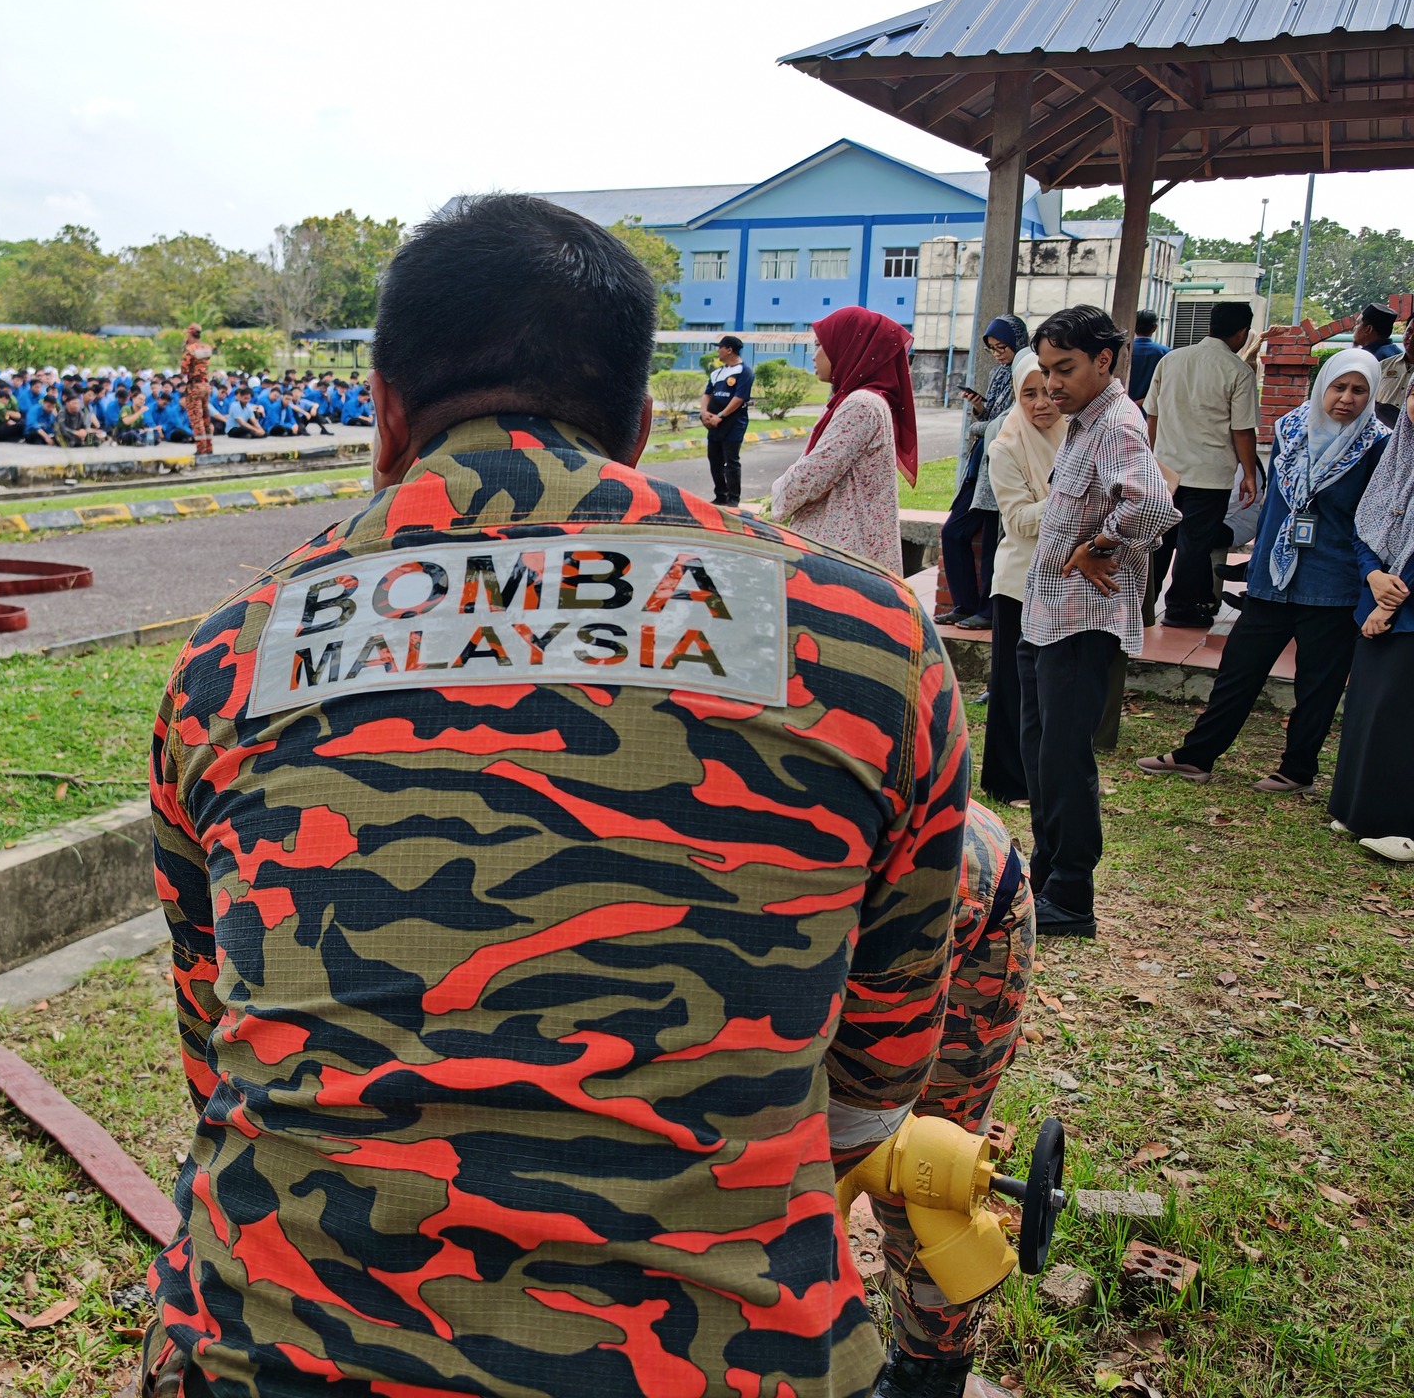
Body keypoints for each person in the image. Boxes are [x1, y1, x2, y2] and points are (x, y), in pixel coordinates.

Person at [139, 193, 968, 1398]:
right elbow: (884, 1064)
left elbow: (218, 1050)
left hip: (265, 1363)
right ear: (635, 427)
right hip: (728, 1365)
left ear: (384, 415)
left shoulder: (231, 655)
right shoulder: (867, 639)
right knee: (986, 868)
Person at [1139, 349, 1387, 795]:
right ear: (1321, 386)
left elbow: (1375, 519)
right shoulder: (1291, 429)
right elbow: (1275, 505)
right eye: (1338, 387)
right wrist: (1256, 564)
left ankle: (1297, 771)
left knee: (1319, 682)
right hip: (1274, 576)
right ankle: (1197, 755)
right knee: (1239, 669)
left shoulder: (1378, 445)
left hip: (1334, 581)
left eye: (1359, 390)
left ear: (1371, 396)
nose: (1346, 399)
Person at [857, 798, 1035, 1397]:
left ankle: (927, 1371)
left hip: (961, 913)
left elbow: (857, 1099)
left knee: (925, 1171)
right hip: (864, 912)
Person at [1020, 306, 1180, 938]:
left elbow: (1154, 505)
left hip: (1083, 619)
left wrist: (1103, 544)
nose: (1053, 384)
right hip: (1048, 614)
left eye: (1066, 369)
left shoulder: (1114, 421)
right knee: (1040, 755)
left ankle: (1072, 895)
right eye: (1045, 370)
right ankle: (1044, 874)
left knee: (1063, 758)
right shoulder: (1086, 420)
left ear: (1104, 361)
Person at [770, 305, 916, 577]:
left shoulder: (862, 404)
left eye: (820, 346)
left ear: (849, 348)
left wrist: (779, 492)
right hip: (844, 548)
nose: (814, 357)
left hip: (844, 555)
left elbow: (813, 475)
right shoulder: (855, 400)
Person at [1328, 399, 1414, 856]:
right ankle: (1358, 809)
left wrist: (1392, 603)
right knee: (1366, 708)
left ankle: (1404, 826)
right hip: (1378, 596)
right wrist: (1373, 576)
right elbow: (1368, 526)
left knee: (1399, 716)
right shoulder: (1400, 453)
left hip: (1405, 612)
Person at [1144, 301, 1260, 629]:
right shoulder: (1238, 371)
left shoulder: (1171, 360)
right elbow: (1242, 429)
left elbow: (1151, 415)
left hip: (1164, 470)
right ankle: (1181, 607)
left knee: (1158, 539)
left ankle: (1142, 604)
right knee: (1194, 543)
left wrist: (1148, 460)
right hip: (1210, 475)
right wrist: (1249, 475)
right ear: (1242, 333)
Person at [980, 354, 1062, 802]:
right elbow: (1017, 520)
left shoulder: (1077, 434)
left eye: (1048, 391)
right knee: (1014, 690)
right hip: (1020, 584)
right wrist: (1071, 500)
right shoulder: (1007, 445)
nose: (1041, 403)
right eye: (1029, 394)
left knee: (1055, 690)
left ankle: (1048, 777)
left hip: (1068, 580)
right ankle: (1009, 781)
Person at [939, 316, 1024, 628]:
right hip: (980, 465)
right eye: (993, 349)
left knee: (993, 541)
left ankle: (987, 612)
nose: (999, 354)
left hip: (1003, 467)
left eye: (1002, 347)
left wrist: (977, 426)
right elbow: (994, 415)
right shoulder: (1000, 374)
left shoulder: (1027, 373)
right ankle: (964, 604)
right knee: (953, 531)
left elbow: (1014, 422)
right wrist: (979, 407)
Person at [700, 333, 752, 504]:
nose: (718, 352)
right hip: (713, 424)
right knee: (714, 460)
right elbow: (707, 394)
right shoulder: (717, 373)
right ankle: (720, 495)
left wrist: (720, 416)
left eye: (720, 348)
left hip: (733, 423)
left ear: (729, 350)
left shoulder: (744, 372)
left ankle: (733, 498)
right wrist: (704, 412)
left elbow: (739, 398)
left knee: (731, 461)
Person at [1354, 303, 1405, 425]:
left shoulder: (1372, 359)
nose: (1355, 329)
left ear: (1368, 329)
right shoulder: (1396, 353)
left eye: (1357, 324)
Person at [180, 326, 214, 455]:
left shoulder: (189, 350)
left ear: (190, 335)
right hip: (206, 385)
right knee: (206, 418)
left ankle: (201, 449)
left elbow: (184, 369)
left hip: (194, 386)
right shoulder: (206, 347)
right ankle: (209, 447)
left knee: (196, 418)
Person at [1126, 308, 1169, 406]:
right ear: (1154, 328)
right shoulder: (1166, 353)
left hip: (1122, 409)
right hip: (1151, 410)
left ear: (1133, 326)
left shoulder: (1122, 351)